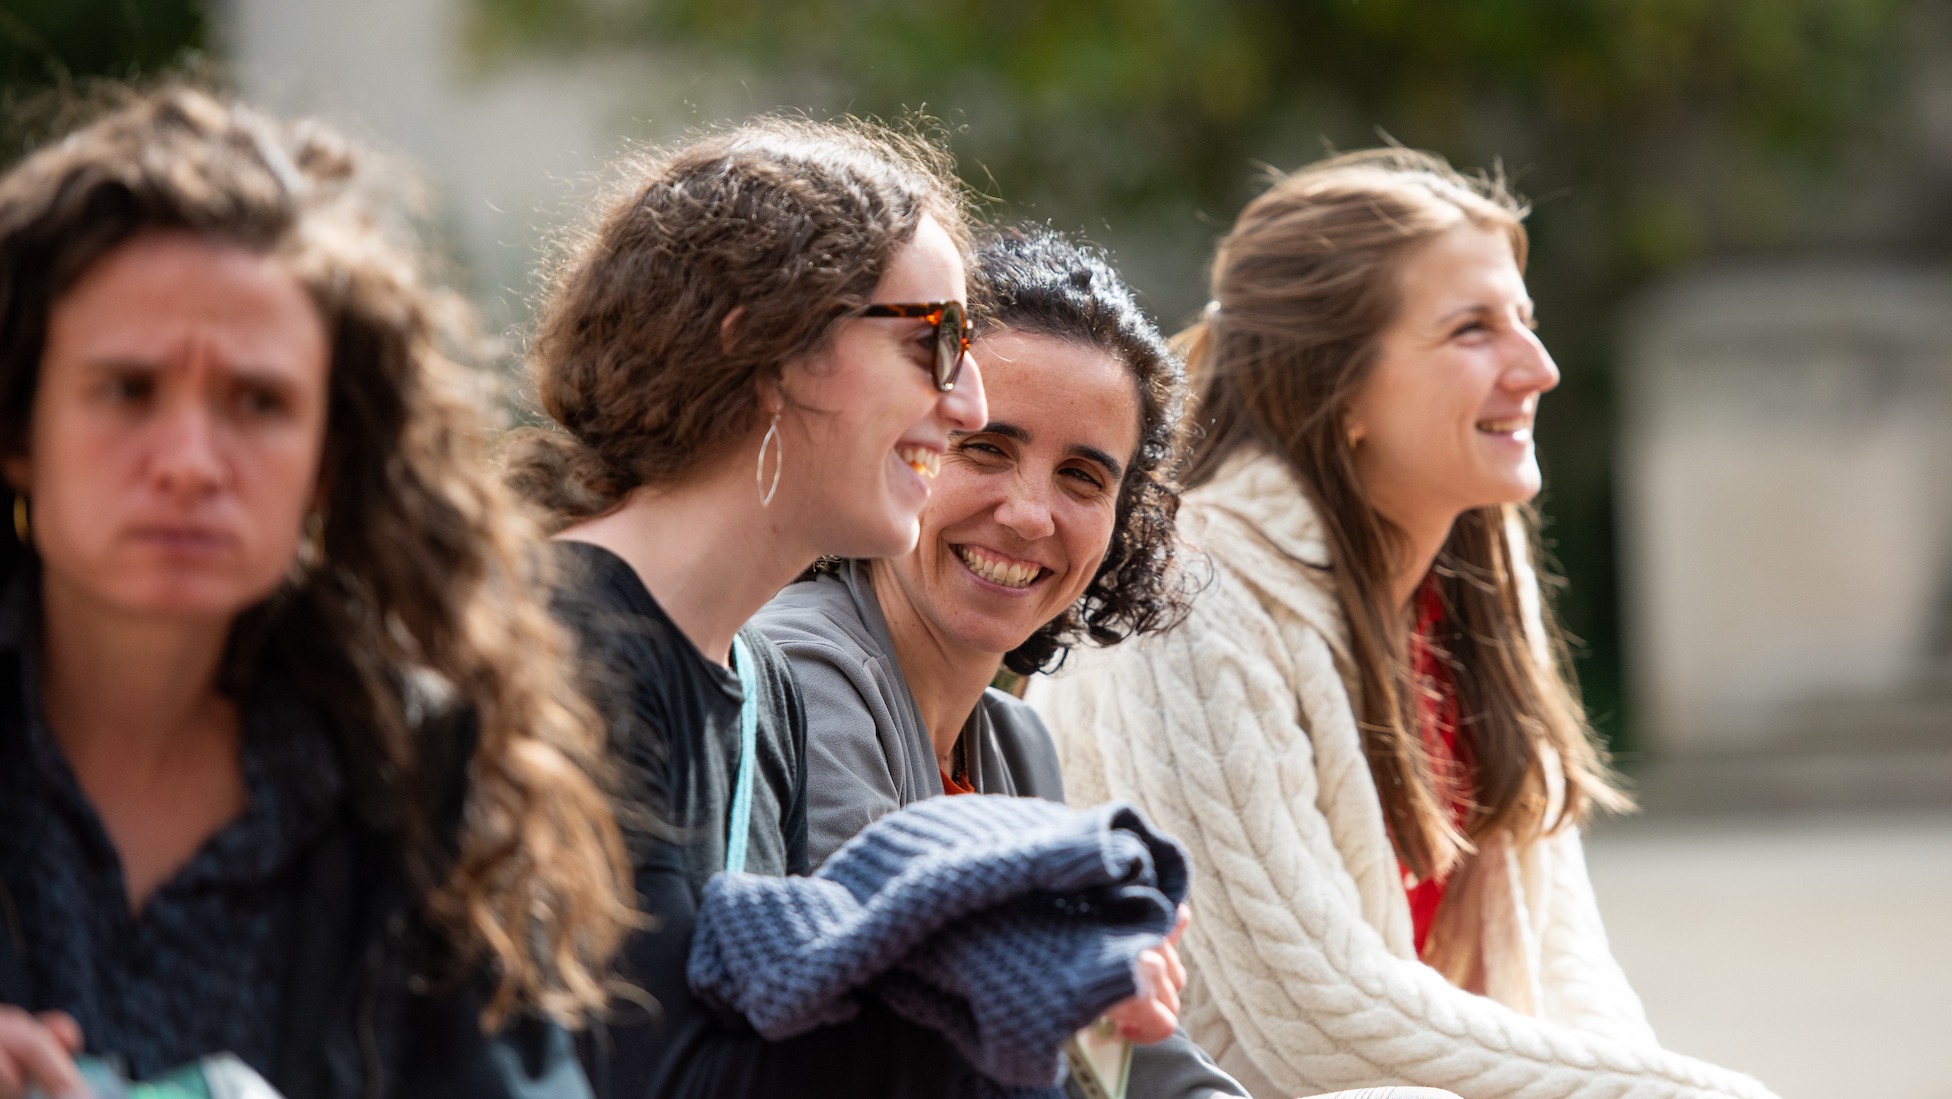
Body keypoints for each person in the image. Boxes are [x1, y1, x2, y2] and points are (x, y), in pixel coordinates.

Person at [1026, 149, 1780, 1099]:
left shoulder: (1470, 581)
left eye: (1526, 322)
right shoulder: (1193, 599)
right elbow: (1315, 1031)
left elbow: (1562, 967)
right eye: (1473, 330)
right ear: (1335, 387)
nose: (1539, 369)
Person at [508, 120, 1187, 1099]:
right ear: (764, 340)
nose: (964, 402)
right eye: (932, 342)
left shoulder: (760, 681)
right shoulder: (564, 646)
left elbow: (778, 1029)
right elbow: (660, 1079)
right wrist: (1015, 989)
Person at [0, 87, 633, 1099]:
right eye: (127, 388)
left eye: (258, 402)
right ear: (19, 428)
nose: (190, 461)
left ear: (331, 459)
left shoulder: (421, 777)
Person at [753, 226, 1241, 1099]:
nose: (1028, 514)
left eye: (1084, 478)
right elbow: (893, 989)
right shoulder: (803, 665)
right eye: (985, 449)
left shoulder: (1016, 746)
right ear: (905, 446)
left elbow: (1111, 1061)